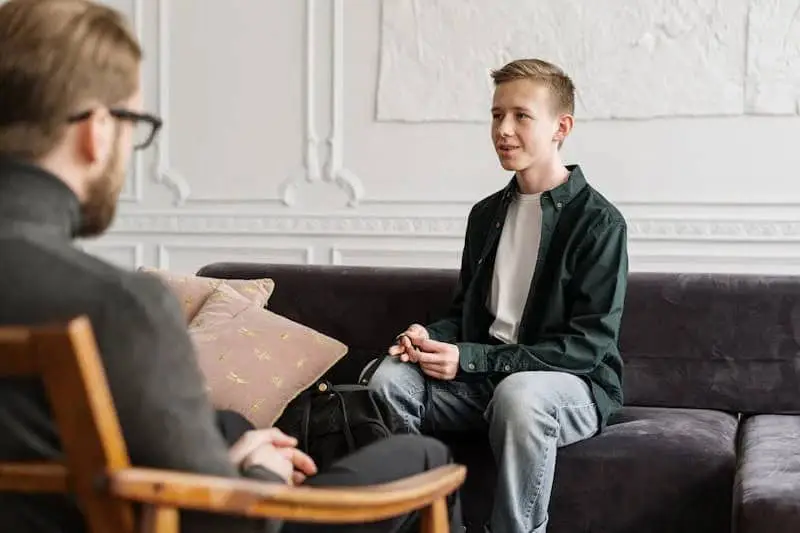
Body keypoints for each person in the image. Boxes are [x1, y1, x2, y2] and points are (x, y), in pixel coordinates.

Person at [0, 1, 462, 533]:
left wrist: (224, 461)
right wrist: (259, 474)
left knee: (226, 426)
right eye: (135, 126)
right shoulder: (119, 308)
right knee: (424, 459)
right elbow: (222, 527)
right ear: (98, 130)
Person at [368, 58, 629, 533]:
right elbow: (465, 313)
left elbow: (588, 346)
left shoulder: (599, 223)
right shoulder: (485, 215)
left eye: (521, 116)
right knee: (389, 381)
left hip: (569, 388)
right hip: (482, 383)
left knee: (519, 395)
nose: (503, 130)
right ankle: (431, 523)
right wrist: (429, 336)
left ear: (560, 127)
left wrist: (469, 358)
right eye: (496, 115)